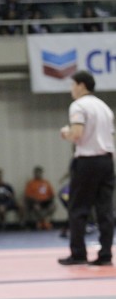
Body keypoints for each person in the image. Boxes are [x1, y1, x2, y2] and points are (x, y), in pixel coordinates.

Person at [58, 70, 114, 266]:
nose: (71, 90)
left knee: (78, 208)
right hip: (106, 160)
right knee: (105, 209)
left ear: (81, 85)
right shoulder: (105, 107)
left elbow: (77, 134)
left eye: (73, 85)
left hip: (87, 161)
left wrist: (65, 132)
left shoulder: (79, 106)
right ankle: (106, 254)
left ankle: (78, 252)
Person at [24, 166, 56, 230]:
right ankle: (44, 223)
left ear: (42, 173)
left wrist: (49, 200)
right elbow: (27, 195)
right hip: (35, 202)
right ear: (34, 174)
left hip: (46, 201)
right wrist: (35, 201)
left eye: (39, 173)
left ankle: (42, 221)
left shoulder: (46, 182)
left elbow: (52, 194)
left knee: (53, 207)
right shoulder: (31, 183)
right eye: (36, 173)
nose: (38, 174)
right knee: (37, 208)